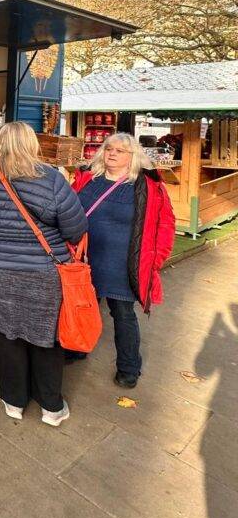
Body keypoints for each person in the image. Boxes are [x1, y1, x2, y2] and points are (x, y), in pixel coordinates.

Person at [0, 121, 88, 426]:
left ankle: (14, 402)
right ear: (32, 144)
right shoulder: (52, 180)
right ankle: (51, 408)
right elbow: (76, 228)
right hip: (39, 274)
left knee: (6, 333)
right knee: (46, 336)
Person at [72, 132, 176, 388]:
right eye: (109, 148)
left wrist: (156, 259)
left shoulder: (147, 185)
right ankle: (77, 348)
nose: (113, 153)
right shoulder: (88, 178)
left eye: (120, 150)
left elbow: (166, 224)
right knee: (82, 307)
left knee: (123, 314)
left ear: (133, 156)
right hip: (85, 260)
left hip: (123, 265)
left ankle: (129, 367)